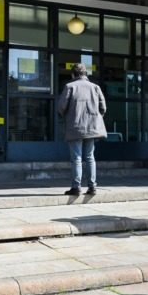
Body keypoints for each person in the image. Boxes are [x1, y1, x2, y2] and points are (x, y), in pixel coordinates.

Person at [58, 63, 107, 196]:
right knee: (90, 157)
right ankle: (92, 187)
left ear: (73, 74)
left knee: (76, 158)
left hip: (75, 127)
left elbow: (61, 107)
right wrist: (94, 118)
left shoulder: (70, 86)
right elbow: (103, 108)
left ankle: (76, 187)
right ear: (85, 74)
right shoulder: (95, 87)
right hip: (92, 127)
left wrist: (69, 116)